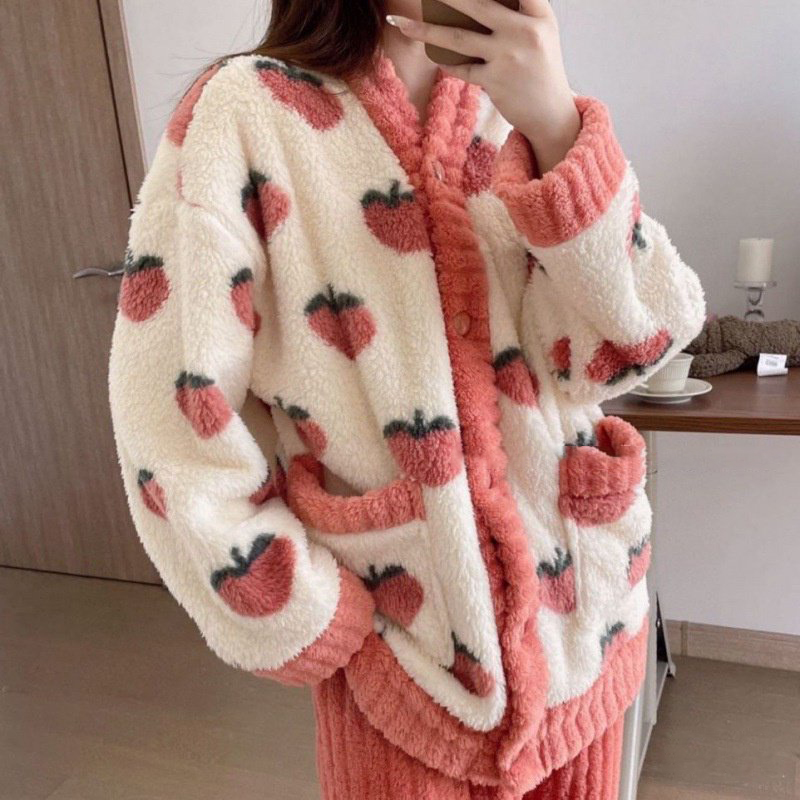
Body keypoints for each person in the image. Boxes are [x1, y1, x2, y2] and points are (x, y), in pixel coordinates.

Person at [107, 1, 706, 797]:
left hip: (584, 631)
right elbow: (167, 411)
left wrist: (558, 127)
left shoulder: (519, 104)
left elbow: (635, 344)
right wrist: (298, 610)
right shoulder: (247, 113)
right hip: (404, 658)